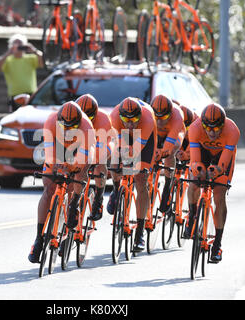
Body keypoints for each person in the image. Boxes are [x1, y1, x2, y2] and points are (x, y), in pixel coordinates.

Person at [28, 101, 96, 263]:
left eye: (71, 127)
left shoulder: (87, 128)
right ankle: (39, 238)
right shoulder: (51, 122)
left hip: (79, 148)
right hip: (58, 147)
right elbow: (50, 154)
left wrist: (71, 166)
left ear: (78, 123)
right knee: (49, 188)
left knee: (78, 175)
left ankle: (74, 204)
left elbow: (84, 157)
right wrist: (57, 166)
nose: (66, 130)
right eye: (63, 126)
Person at [184, 103, 240, 263]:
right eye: (208, 128)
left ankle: (217, 243)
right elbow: (194, 161)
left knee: (219, 194)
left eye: (217, 128)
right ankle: (192, 215)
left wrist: (214, 172)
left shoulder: (232, 130)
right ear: (202, 125)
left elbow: (222, 166)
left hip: (223, 155)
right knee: (194, 182)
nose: (212, 132)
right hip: (203, 153)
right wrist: (199, 170)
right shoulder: (195, 129)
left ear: (223, 125)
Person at [107, 97, 157, 253]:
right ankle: (116, 191)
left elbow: (136, 150)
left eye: (134, 119)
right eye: (126, 120)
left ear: (139, 116)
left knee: (141, 179)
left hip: (144, 138)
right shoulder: (115, 116)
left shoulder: (147, 119)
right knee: (115, 163)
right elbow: (120, 145)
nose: (130, 123)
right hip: (122, 136)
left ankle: (140, 233)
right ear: (121, 117)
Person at [75, 94, 114, 221]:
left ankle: (98, 199)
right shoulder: (73, 117)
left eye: (90, 117)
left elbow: (98, 150)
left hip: (102, 143)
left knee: (99, 160)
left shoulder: (103, 119)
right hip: (81, 142)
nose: (87, 119)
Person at [149, 95, 186, 214]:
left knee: (170, 151)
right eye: (156, 117)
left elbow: (168, 147)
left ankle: (168, 185)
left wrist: (163, 152)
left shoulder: (177, 115)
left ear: (170, 114)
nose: (159, 120)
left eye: (164, 117)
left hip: (174, 134)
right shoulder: (148, 114)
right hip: (156, 134)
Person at [0, 34, 44, 112]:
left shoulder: (31, 58)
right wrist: (8, 52)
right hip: (14, 96)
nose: (18, 46)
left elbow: (43, 63)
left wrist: (34, 50)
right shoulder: (7, 60)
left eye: (20, 43)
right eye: (15, 43)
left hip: (31, 94)